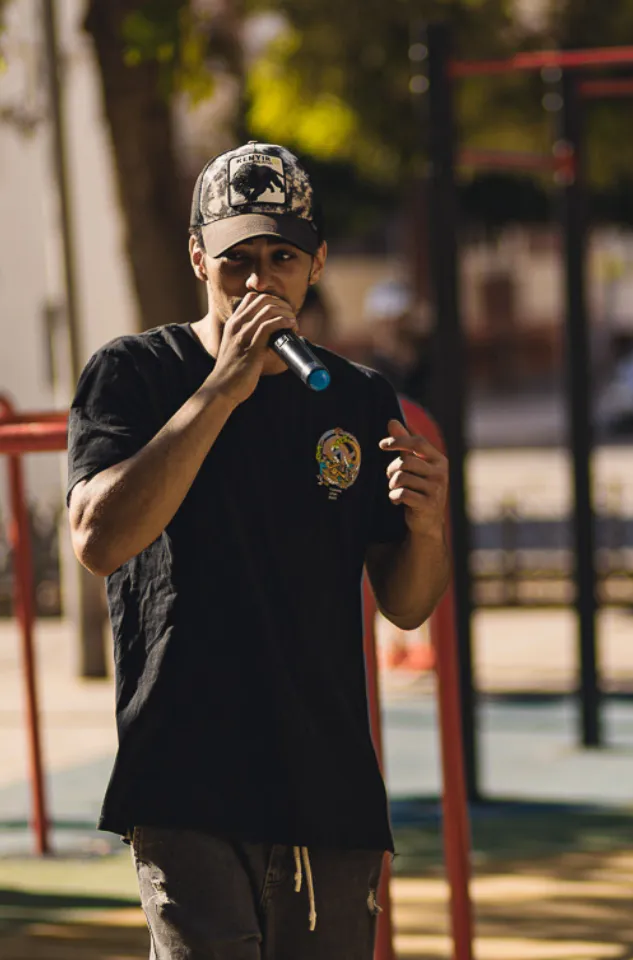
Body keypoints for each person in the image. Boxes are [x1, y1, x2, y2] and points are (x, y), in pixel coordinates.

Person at [66, 141, 452, 960]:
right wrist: (220, 390)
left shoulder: (357, 396)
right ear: (198, 259)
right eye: (236, 259)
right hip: (186, 777)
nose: (257, 281)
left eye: (280, 257)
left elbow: (408, 602)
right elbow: (98, 542)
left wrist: (428, 526)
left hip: (328, 786)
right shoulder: (133, 375)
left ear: (316, 266)